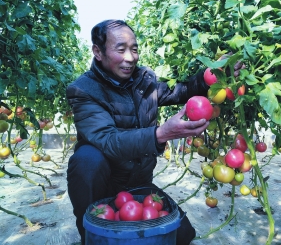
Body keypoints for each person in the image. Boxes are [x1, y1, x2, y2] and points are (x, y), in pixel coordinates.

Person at [66, 19, 244, 245]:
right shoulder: (83, 90)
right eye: (121, 49)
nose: (130, 57)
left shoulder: (144, 80)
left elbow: (181, 90)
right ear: (98, 52)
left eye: (134, 49)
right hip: (103, 184)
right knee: (87, 159)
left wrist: (212, 75)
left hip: (137, 182)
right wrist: (160, 134)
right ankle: (90, 234)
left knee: (183, 234)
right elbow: (108, 140)